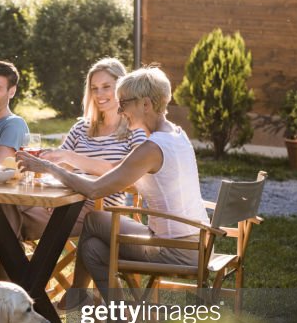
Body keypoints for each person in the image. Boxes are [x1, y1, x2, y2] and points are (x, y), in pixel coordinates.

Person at [17, 65, 208, 305]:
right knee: (93, 249)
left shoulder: (151, 148)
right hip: (193, 240)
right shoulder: (176, 134)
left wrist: (49, 168)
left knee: (95, 219)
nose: (120, 110)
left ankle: (79, 299)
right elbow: (116, 174)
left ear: (146, 104)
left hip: (174, 249)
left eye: (124, 103)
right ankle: (118, 317)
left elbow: (96, 189)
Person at [11, 58, 147, 302]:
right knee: (6, 213)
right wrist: (49, 162)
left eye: (107, 87)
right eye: (94, 88)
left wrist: (73, 159)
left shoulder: (134, 129)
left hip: (101, 209)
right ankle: (13, 289)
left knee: (10, 225)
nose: (100, 94)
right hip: (62, 201)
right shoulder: (81, 128)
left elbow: (130, 176)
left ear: (121, 88)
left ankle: (25, 290)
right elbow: (59, 164)